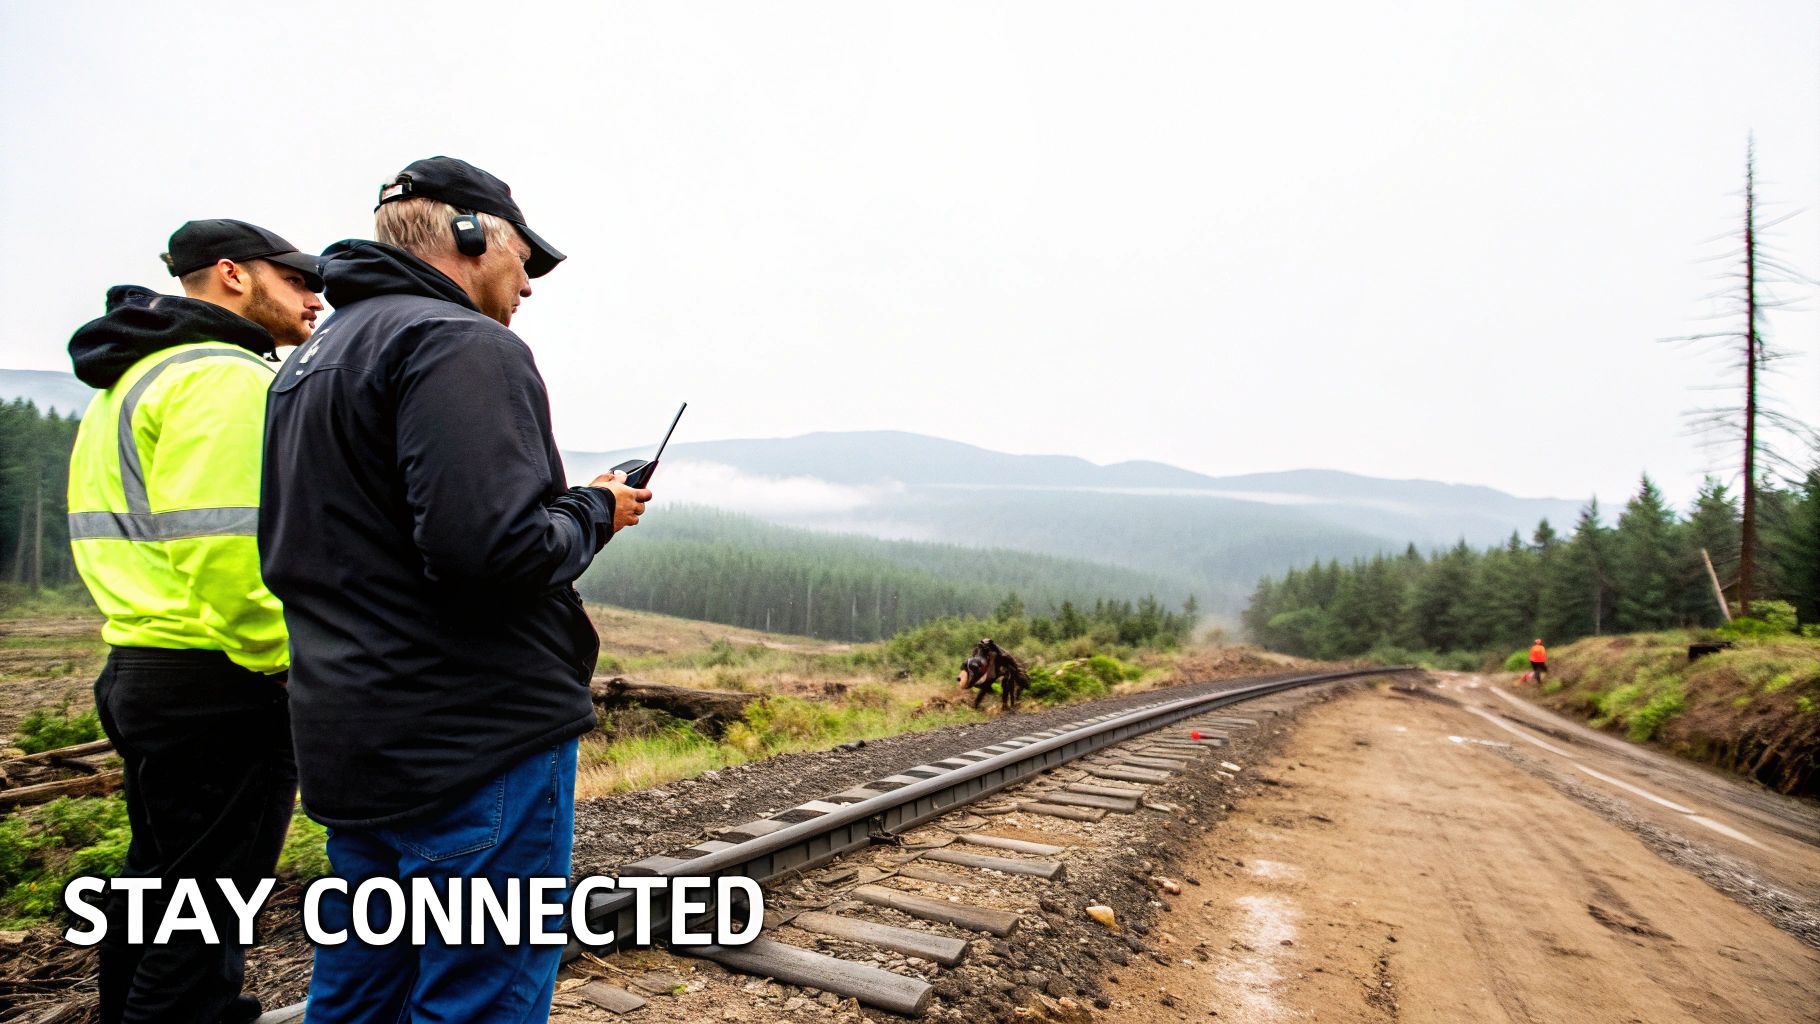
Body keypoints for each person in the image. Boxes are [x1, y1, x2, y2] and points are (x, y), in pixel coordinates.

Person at [259, 157, 651, 1024]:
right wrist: (594, 508)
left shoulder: (313, 357)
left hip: (354, 736)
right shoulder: (460, 343)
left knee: (361, 993)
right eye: (525, 261)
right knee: (480, 994)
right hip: (475, 741)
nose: (530, 287)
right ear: (474, 236)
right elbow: (494, 554)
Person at [65, 219, 323, 1024]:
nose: (316, 294)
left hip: (142, 664)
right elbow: (224, 546)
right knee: (210, 911)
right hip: (219, 679)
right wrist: (281, 661)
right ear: (232, 276)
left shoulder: (131, 378)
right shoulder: (225, 376)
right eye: (296, 277)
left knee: (160, 889)